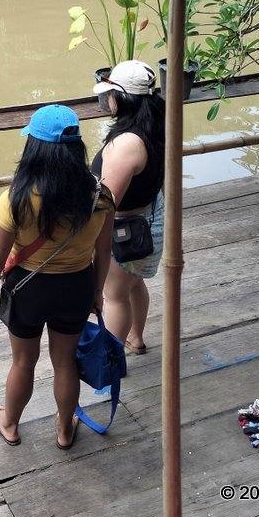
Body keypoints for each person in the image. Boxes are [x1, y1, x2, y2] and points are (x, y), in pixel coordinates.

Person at [0, 104, 114, 450]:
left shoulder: (17, 198)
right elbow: (104, 251)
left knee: (23, 361)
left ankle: (9, 422)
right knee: (65, 361)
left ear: (33, 148)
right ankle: (65, 429)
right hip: (77, 285)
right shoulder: (99, 195)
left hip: (29, 289)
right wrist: (98, 290)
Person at [90, 60, 165, 355]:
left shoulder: (126, 145)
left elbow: (107, 203)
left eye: (109, 93)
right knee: (133, 285)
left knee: (114, 295)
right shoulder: (155, 126)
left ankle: (110, 358)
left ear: (120, 97)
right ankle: (136, 337)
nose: (106, 99)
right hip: (148, 218)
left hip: (126, 231)